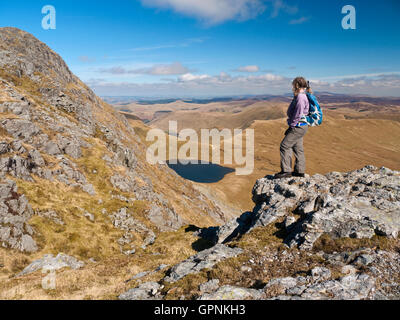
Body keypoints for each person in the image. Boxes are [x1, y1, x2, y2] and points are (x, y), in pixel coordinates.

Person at [274, 77, 310, 179]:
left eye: (293, 85)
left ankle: (286, 171)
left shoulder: (300, 97)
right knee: (298, 148)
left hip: (298, 126)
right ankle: (299, 171)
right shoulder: (302, 96)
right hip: (301, 126)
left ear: (297, 85)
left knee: (284, 146)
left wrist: (292, 126)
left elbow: (298, 113)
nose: (292, 87)